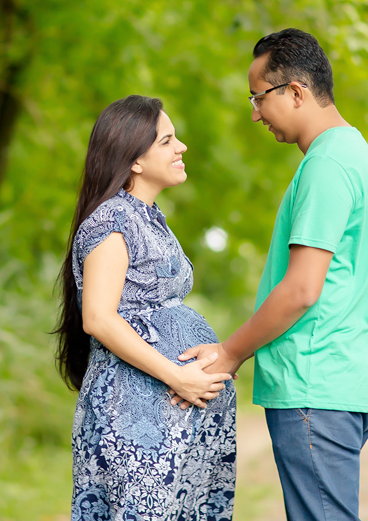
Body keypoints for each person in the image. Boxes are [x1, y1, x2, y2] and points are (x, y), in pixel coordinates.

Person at [179, 29, 368, 521]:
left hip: (315, 385)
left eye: (259, 97)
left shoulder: (328, 165)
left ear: (296, 91)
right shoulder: (351, 153)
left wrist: (230, 353)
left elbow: (300, 289)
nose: (254, 112)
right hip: (337, 383)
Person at [56, 95, 236, 521]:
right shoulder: (112, 219)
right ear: (135, 160)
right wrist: (178, 376)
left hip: (169, 417)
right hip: (134, 414)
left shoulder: (149, 217)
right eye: (168, 141)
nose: (182, 148)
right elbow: (98, 317)